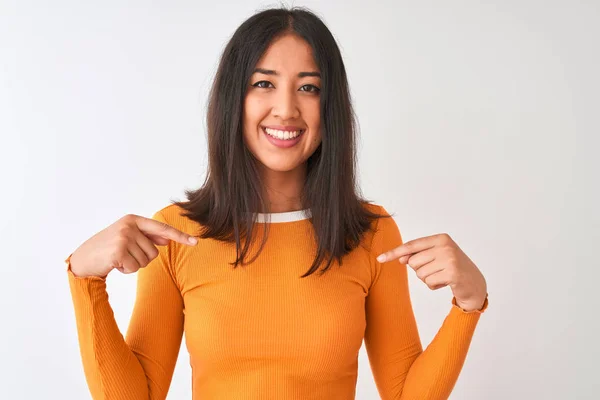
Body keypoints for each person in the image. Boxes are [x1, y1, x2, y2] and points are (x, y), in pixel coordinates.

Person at [65, 6, 488, 400]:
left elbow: (403, 394)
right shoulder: (176, 233)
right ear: (235, 98)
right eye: (263, 83)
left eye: (308, 88)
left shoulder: (370, 233)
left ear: (330, 107)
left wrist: (469, 304)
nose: (286, 109)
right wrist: (85, 279)